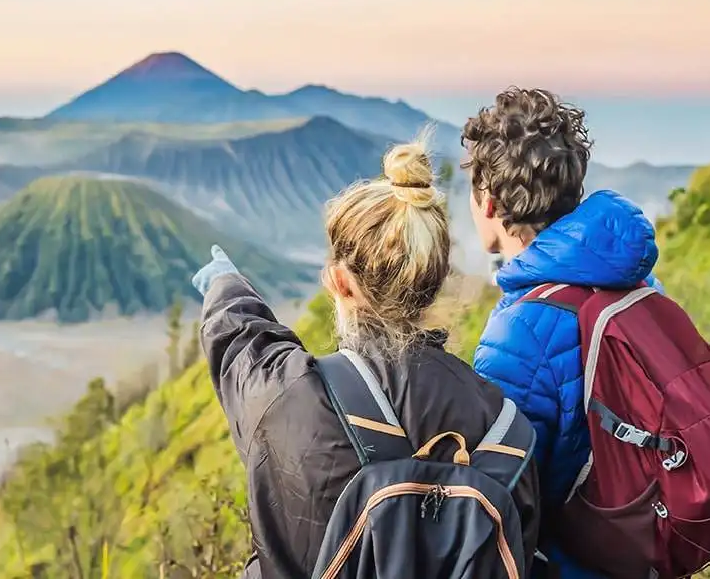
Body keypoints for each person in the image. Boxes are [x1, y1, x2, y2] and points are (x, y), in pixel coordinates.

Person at [191, 136, 542, 578]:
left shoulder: (292, 398)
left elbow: (243, 349)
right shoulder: (508, 431)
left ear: (341, 282)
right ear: (436, 281)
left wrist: (224, 285)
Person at [461, 87, 662, 578]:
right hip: (644, 542)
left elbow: (503, 501)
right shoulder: (636, 281)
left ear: (488, 202)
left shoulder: (517, 336)